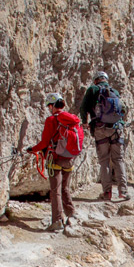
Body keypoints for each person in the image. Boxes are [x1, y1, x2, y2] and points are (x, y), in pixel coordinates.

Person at [26, 93, 83, 231]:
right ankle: (71, 213)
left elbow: (45, 142)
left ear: (52, 106)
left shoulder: (51, 120)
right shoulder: (71, 120)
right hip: (69, 159)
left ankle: (57, 220)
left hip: (55, 158)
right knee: (65, 188)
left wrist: (32, 149)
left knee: (55, 190)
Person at [79, 71, 127, 200]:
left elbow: (83, 107)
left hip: (100, 129)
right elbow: (123, 109)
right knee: (119, 159)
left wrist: (84, 122)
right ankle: (123, 191)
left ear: (95, 80)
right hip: (117, 129)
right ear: (106, 80)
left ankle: (107, 193)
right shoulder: (114, 91)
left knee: (104, 161)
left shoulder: (92, 90)